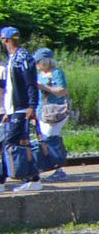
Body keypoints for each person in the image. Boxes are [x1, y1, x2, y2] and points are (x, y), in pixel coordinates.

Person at [1, 27, 42, 192]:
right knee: (19, 145)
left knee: (7, 144)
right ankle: (34, 179)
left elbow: (31, 83)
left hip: (22, 108)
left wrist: (32, 106)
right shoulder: (13, 58)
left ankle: (1, 182)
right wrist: (8, 112)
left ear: (5, 40)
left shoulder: (22, 57)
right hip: (14, 110)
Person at [33, 48, 70, 181]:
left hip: (56, 112)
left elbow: (62, 91)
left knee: (51, 138)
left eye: (37, 62)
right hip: (43, 112)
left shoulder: (57, 73)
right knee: (46, 139)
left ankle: (58, 168)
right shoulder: (39, 75)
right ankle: (53, 166)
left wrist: (44, 88)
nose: (36, 65)